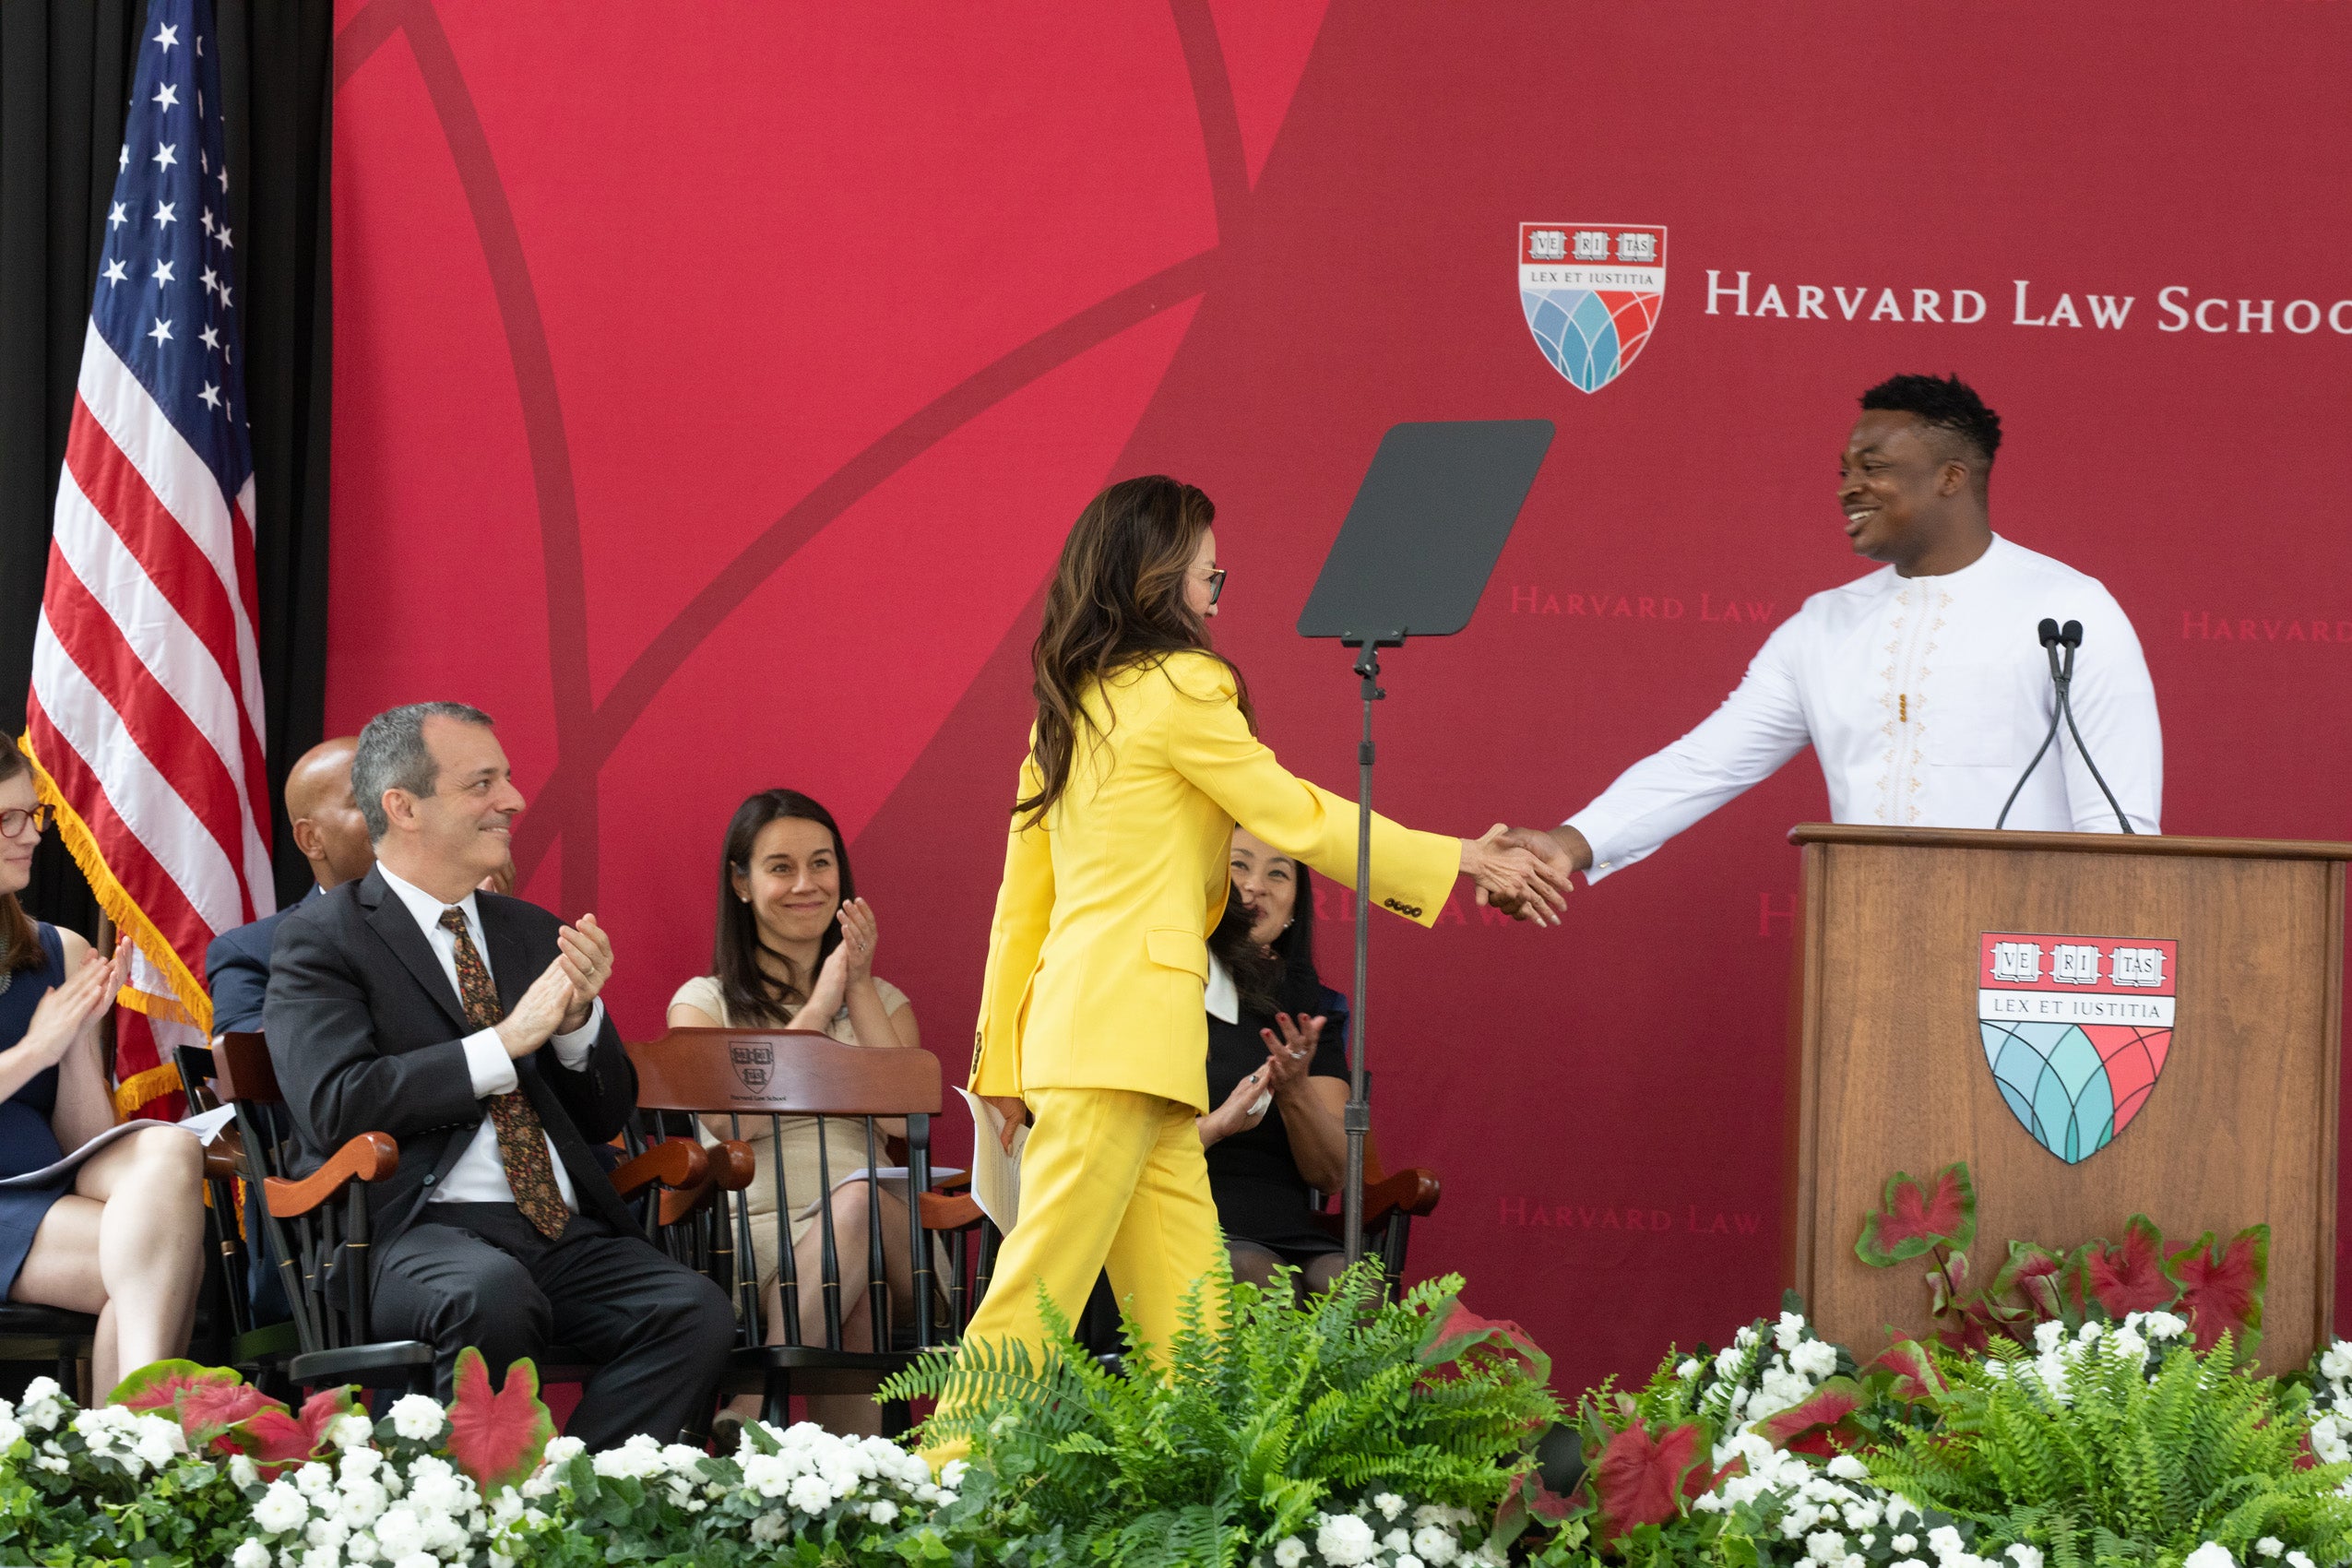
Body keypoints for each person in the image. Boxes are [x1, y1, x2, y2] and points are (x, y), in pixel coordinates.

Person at [938, 474, 1570, 1457]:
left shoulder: (1067, 706)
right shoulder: (1185, 684)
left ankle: (1219, 1501)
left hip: (1108, 1043)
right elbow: (1292, 812)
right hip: (1123, 1043)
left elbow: (1023, 908)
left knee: (1196, 1333)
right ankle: (935, 1487)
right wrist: (1457, 858)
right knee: (1040, 1287)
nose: (1217, 595)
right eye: (1209, 572)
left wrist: (1001, 1063)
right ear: (1159, 576)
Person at [263, 702, 734, 1448]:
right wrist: (504, 1043)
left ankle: (578, 1506)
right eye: (482, 783)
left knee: (692, 1309)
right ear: (403, 807)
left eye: (506, 779)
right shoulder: (323, 940)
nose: (512, 801)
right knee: (489, 1293)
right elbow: (336, 1104)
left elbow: (602, 1111)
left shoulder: (527, 931)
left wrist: (579, 1023)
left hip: (555, 1226)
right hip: (409, 1232)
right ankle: (480, 1528)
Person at [1501, 375, 2161, 886]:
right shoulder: (1824, 625)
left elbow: (2118, 823)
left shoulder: (2069, 611)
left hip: (2030, 958)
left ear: (1950, 478)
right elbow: (1707, 763)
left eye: (1873, 467)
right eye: (1844, 470)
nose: (1849, 487)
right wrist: (1569, 843)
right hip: (1867, 951)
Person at [668, 789, 921, 1436]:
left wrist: (856, 986)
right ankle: (859, 1503)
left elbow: (901, 1122)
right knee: (856, 1299)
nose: (806, 884)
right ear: (742, 884)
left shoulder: (883, 999)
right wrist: (816, 1010)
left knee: (861, 1206)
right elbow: (733, 1128)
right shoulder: (704, 1004)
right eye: (781, 867)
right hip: (755, 1238)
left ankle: (751, 1404)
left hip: (882, 1227)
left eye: (822, 863)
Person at [0, 742, 203, 1396]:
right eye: (8, 819)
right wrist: (37, 1048)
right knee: (167, 1261)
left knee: (170, 1151)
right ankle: (136, 1444)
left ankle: (123, 1429)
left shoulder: (62, 949)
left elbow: (82, 1142)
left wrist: (79, 1042)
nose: (31, 835)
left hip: (47, 1183)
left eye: (35, 815)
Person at [1198, 828, 1351, 1298]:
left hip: (1282, 1220)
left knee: (1352, 1285)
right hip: (1188, 1214)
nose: (1256, 885)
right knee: (1257, 1277)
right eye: (1239, 865)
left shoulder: (1309, 1008)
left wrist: (1294, 1089)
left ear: (1293, 912)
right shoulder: (1166, 982)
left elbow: (1331, 1175)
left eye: (1278, 873)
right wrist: (1219, 1124)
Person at [205, 736, 374, 1037]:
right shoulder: (253, 952)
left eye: (400, 795)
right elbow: (249, 1065)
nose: (394, 812)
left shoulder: (465, 915)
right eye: (365, 800)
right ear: (311, 839)